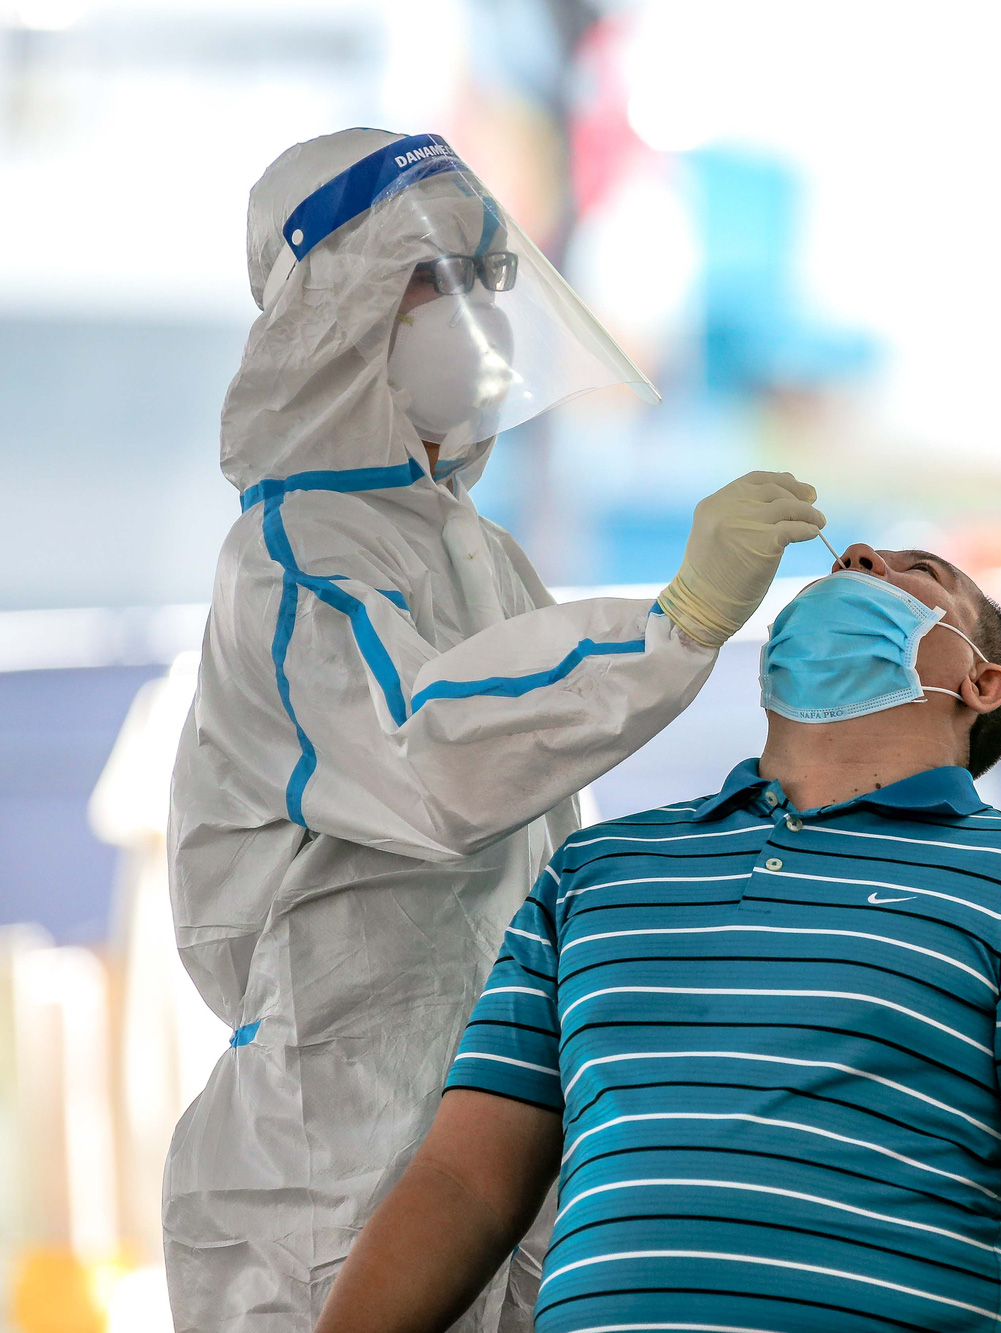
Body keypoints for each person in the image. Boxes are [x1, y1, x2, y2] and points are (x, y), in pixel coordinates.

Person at [166, 127, 826, 1332]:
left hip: (500, 1121)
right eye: (433, 276)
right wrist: (677, 619)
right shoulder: (292, 557)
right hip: (335, 1147)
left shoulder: (481, 551)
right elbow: (432, 759)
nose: (474, 309)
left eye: (488, 273)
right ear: (337, 312)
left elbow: (544, 828)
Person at [315, 544, 1001, 1333]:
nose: (858, 559)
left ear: (982, 682)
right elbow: (464, 1180)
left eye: (918, 569)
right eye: (849, 559)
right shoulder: (597, 866)